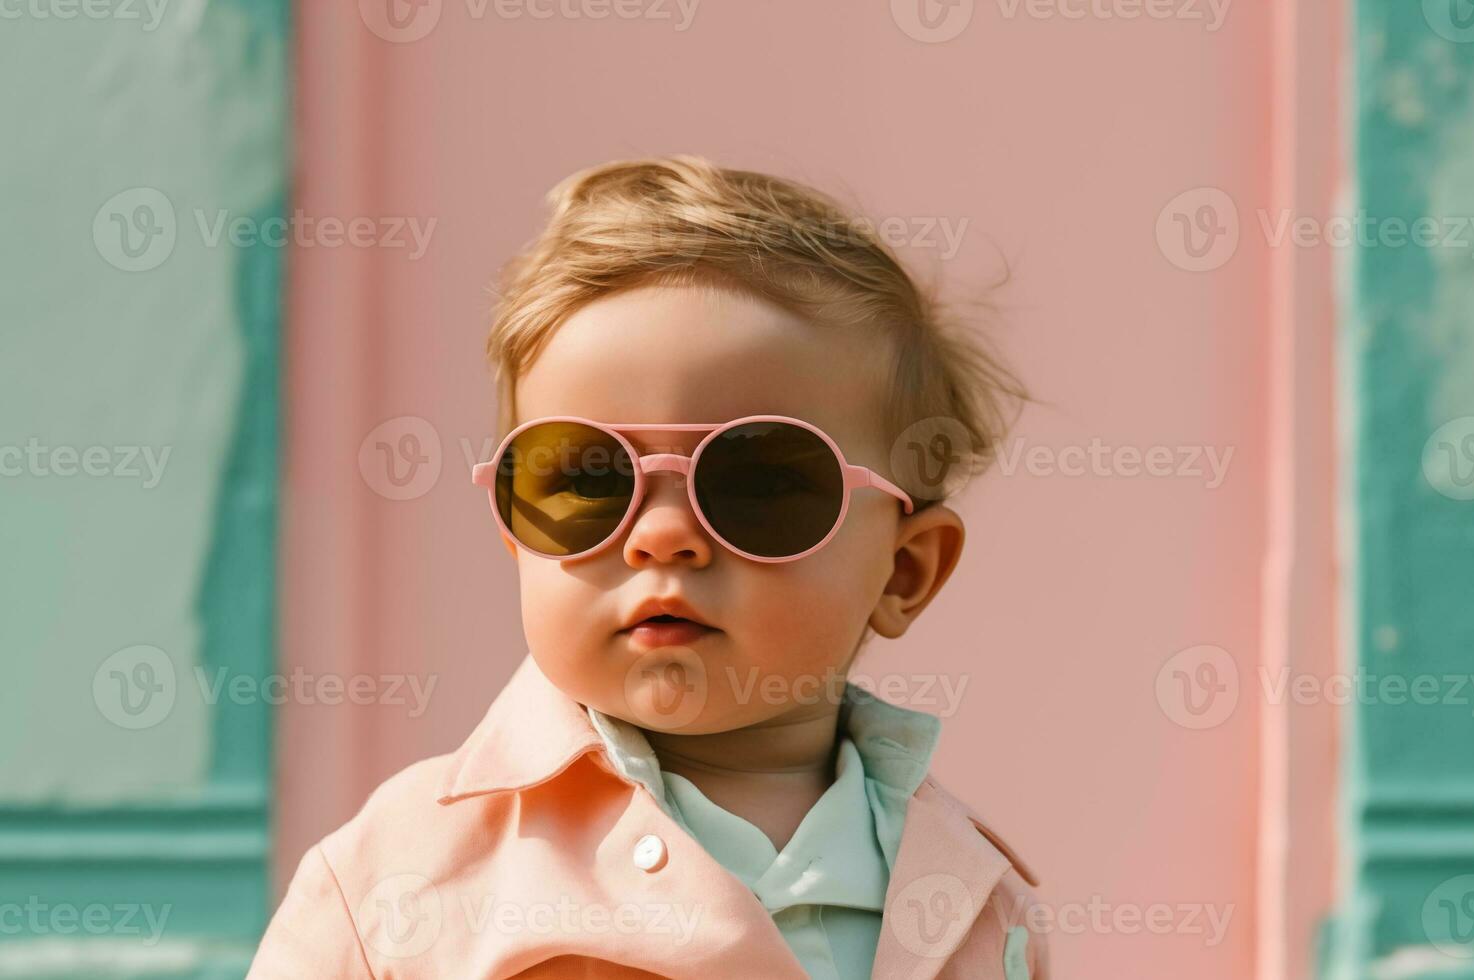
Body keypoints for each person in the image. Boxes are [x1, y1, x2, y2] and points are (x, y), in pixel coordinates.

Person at [248, 155, 1047, 979]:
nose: (661, 537)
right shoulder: (399, 875)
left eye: (757, 481)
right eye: (586, 479)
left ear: (903, 571)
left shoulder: (979, 900)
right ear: (518, 533)